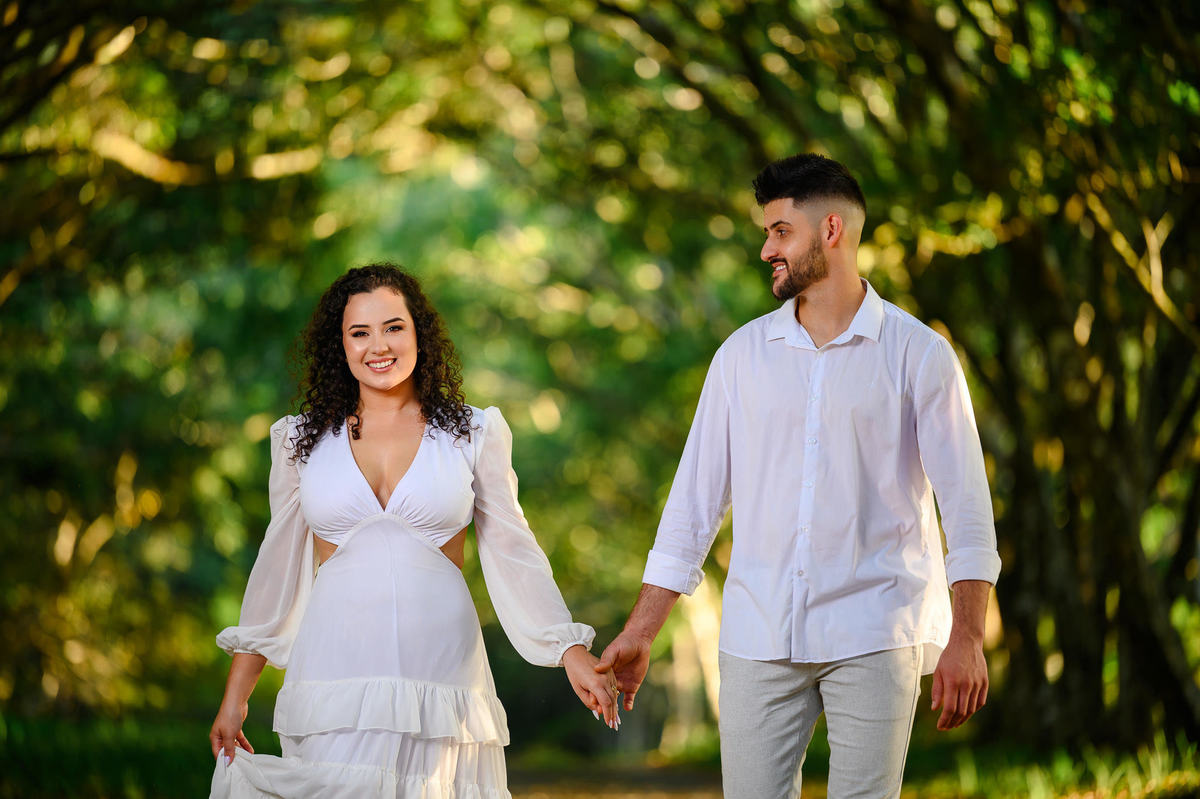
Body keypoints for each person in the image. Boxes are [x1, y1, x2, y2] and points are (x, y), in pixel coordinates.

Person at [596, 154, 1002, 798]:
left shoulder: (919, 355)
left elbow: (968, 512)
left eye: (780, 231)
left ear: (831, 231)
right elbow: (692, 509)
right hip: (759, 635)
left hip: (875, 630)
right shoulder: (740, 357)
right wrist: (641, 631)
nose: (766, 249)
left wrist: (968, 637)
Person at [209, 264, 619, 798]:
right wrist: (237, 695)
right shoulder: (299, 441)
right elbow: (276, 570)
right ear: (341, 345)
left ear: (418, 334)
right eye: (360, 332)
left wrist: (568, 649)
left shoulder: (473, 432)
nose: (379, 345)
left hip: (441, 673)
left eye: (393, 327)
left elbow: (514, 551)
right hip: (335, 672)